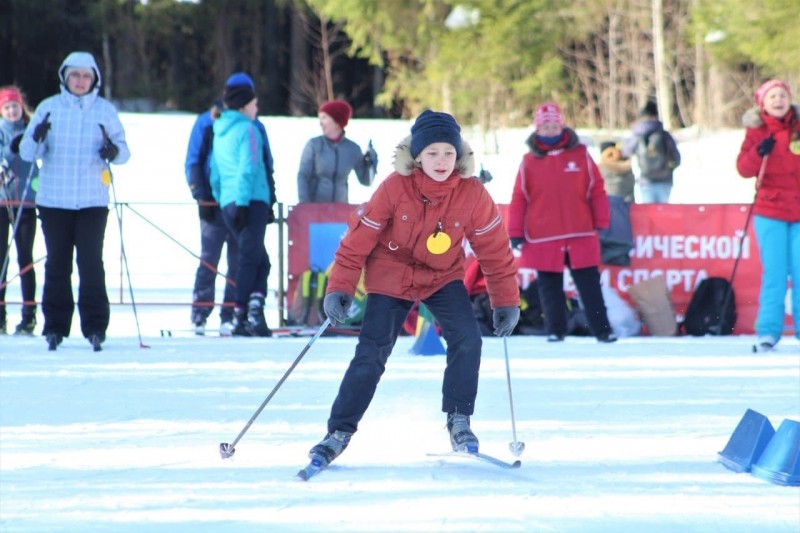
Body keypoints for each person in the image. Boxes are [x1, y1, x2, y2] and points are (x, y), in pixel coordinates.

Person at [305, 110, 520, 469]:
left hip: (441, 275)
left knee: (468, 337)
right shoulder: (394, 186)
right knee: (372, 351)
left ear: (459, 155)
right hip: (391, 274)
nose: (441, 161)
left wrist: (506, 300)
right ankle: (338, 432)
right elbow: (357, 241)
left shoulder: (471, 193)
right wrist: (340, 286)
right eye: (433, 153)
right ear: (417, 155)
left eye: (449, 153)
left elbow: (495, 250)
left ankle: (459, 419)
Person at [18, 51, 129, 351]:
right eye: (75, 76)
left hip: (92, 200)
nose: (80, 81)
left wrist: (112, 152)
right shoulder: (49, 108)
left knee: (91, 263)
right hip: (55, 200)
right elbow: (28, 153)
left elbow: (124, 153)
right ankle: (55, 325)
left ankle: (95, 326)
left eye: (86, 76)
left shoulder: (104, 111)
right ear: (65, 78)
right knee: (57, 264)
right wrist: (36, 136)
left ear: (94, 79)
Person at [507, 102, 616, 343]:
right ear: (537, 129)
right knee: (549, 290)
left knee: (590, 287)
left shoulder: (581, 155)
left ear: (562, 125)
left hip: (581, 232)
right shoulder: (528, 162)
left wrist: (601, 220)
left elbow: (596, 189)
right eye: (545, 126)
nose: (550, 129)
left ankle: (603, 331)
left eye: (554, 124)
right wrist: (515, 232)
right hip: (542, 236)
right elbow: (519, 198)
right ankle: (555, 330)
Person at [184, 72, 277, 336]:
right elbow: (195, 160)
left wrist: (270, 197)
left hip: (233, 198)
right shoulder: (210, 122)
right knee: (210, 257)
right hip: (221, 202)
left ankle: (230, 312)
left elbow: (266, 164)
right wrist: (201, 196)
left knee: (241, 258)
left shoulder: (255, 125)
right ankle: (202, 312)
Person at [735, 79, 800, 351]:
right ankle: (768, 332)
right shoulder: (757, 132)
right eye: (772, 96)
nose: (778, 100)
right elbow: (743, 169)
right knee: (774, 274)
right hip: (770, 211)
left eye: (782, 95)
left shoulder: (798, 129)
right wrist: (757, 152)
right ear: (763, 102)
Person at [209, 81, 273, 337]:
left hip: (228, 202)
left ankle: (253, 310)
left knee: (259, 260)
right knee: (250, 259)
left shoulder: (220, 129)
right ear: (245, 105)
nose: (257, 108)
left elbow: (214, 172)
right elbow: (249, 167)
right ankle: (242, 314)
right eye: (254, 103)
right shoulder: (249, 129)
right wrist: (245, 202)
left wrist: (223, 199)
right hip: (250, 200)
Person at [0, 86, 38, 335]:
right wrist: (8, 152)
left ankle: (29, 314)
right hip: (2, 202)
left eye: (15, 106)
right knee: (2, 258)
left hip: (26, 202)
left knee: (26, 258)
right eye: (7, 107)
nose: (12, 111)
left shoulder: (31, 131)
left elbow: (37, 160)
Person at [296, 99, 377, 203]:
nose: (320, 123)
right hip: (315, 211)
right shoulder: (313, 145)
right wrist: (305, 206)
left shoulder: (352, 149)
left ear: (337, 120)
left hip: (339, 211)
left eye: (324, 118)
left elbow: (366, 181)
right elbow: (303, 176)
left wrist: (371, 163)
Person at [621, 100, 680, 204]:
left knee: (648, 216)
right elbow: (676, 158)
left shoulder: (637, 135)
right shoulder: (664, 135)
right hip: (665, 180)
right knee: (662, 215)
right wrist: (669, 168)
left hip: (646, 180)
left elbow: (625, 151)